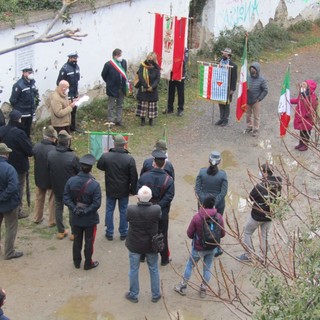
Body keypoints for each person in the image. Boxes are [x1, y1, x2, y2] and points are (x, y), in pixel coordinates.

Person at [174, 196, 225, 298]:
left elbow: (189, 233)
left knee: (190, 266)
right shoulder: (219, 217)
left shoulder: (197, 217)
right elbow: (222, 234)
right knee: (207, 268)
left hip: (198, 248)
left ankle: (182, 286)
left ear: (203, 205)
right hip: (212, 248)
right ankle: (203, 288)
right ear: (213, 205)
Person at [237, 163, 282, 262]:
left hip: (257, 216)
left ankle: (249, 255)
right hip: (270, 215)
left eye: (261, 171)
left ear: (265, 173)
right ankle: (263, 257)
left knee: (247, 232)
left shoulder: (260, 187)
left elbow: (251, 197)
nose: (260, 172)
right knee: (264, 235)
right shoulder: (278, 184)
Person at [64, 154, 101, 270]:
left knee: (77, 239)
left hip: (75, 216)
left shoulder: (71, 181)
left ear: (80, 167)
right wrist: (86, 211)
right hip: (89, 218)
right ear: (91, 168)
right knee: (89, 241)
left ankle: (76, 261)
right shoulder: (95, 185)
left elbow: (66, 198)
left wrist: (74, 208)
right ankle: (88, 263)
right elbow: (96, 204)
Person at [125, 186, 162, 303]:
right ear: (151, 197)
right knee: (154, 269)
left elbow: (126, 218)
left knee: (133, 270)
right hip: (151, 245)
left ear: (138, 197)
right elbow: (160, 218)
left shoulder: (131, 209)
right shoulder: (156, 209)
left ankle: (133, 294)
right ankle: (155, 295)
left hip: (135, 245)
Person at [97, 134, 138, 241]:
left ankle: (109, 232)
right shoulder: (129, 159)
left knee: (109, 210)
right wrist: (133, 190)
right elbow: (134, 176)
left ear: (114, 145)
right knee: (124, 211)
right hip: (124, 190)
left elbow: (99, 166)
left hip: (110, 188)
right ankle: (124, 233)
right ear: (124, 145)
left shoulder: (106, 156)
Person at [138, 150, 175, 266]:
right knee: (162, 234)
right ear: (164, 164)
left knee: (145, 232)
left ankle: (142, 256)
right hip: (161, 212)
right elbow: (170, 196)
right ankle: (164, 259)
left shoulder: (144, 177)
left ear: (154, 162)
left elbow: (138, 191)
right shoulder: (169, 180)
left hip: (145, 209)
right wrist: (159, 205)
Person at [0, 110, 33, 219]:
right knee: (17, 187)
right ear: (18, 119)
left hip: (3, 165)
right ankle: (17, 210)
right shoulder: (19, 133)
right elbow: (29, 150)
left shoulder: (2, 130)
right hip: (18, 166)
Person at [47, 130, 80, 240]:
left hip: (56, 186)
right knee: (71, 209)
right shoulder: (72, 156)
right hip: (70, 188)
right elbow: (79, 171)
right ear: (67, 142)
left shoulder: (51, 154)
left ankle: (61, 231)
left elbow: (48, 169)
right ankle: (74, 233)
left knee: (58, 208)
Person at [0, 143, 23, 260]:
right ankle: (9, 252)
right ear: (6, 154)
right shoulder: (9, 169)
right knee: (10, 227)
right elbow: (13, 186)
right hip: (9, 204)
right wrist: (3, 197)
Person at [32, 126, 57, 226]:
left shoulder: (36, 147)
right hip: (51, 178)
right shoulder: (54, 149)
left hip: (39, 176)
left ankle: (37, 217)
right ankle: (52, 220)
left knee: (39, 198)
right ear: (52, 137)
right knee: (52, 199)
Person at [9, 66, 39, 138]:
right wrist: (19, 109)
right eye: (29, 73)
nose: (31, 74)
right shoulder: (18, 85)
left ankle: (27, 141)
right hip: (22, 114)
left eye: (31, 72)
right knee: (20, 131)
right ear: (24, 73)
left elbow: (35, 95)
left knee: (27, 130)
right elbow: (13, 100)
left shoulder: (32, 82)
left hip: (30, 112)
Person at [101, 48, 128, 126]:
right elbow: (103, 75)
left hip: (121, 87)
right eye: (119, 55)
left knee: (120, 105)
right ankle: (110, 120)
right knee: (111, 105)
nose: (121, 57)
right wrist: (109, 82)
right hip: (112, 88)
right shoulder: (108, 64)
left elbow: (124, 72)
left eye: (121, 55)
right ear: (115, 56)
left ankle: (119, 120)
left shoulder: (123, 62)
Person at [56, 52, 82, 133]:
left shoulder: (77, 67)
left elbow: (77, 81)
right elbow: (59, 83)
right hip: (67, 94)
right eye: (74, 58)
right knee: (67, 112)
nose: (75, 60)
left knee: (74, 112)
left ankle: (73, 127)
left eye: (76, 58)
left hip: (74, 93)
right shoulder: (65, 68)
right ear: (69, 58)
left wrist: (76, 93)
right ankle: (66, 128)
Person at [290, 79, 318, 151]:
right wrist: (289, 100)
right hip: (300, 117)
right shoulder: (302, 94)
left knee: (306, 132)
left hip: (306, 118)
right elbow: (297, 100)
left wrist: (306, 115)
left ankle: (305, 145)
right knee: (302, 131)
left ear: (309, 87)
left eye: (304, 85)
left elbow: (313, 108)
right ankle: (301, 143)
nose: (302, 86)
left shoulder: (312, 97)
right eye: (302, 84)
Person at [135, 52, 161, 126]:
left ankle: (151, 120)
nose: (150, 59)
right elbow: (141, 77)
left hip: (153, 88)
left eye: (151, 57)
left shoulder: (156, 67)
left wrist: (152, 87)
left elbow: (157, 79)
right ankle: (142, 119)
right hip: (144, 88)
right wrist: (146, 86)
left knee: (152, 104)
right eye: (149, 57)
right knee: (143, 104)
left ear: (154, 58)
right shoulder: (142, 66)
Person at [215, 48, 238, 127]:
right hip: (219, 85)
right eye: (223, 53)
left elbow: (234, 78)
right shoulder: (219, 62)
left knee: (226, 103)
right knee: (220, 102)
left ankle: (225, 119)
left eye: (224, 54)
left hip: (227, 87)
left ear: (228, 55)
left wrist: (232, 89)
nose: (223, 55)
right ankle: (221, 118)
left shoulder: (233, 66)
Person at [163, 48, 189, 117]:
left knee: (180, 92)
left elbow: (185, 60)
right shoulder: (173, 47)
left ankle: (180, 109)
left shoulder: (185, 49)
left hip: (180, 74)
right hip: (171, 73)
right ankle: (170, 108)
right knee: (170, 91)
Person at [245, 62, 268, 137]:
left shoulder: (262, 79)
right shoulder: (247, 78)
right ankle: (249, 126)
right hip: (248, 99)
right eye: (251, 68)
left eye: (253, 68)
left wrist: (259, 98)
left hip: (256, 101)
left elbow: (265, 90)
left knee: (256, 116)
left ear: (257, 70)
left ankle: (255, 129)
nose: (252, 70)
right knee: (248, 115)